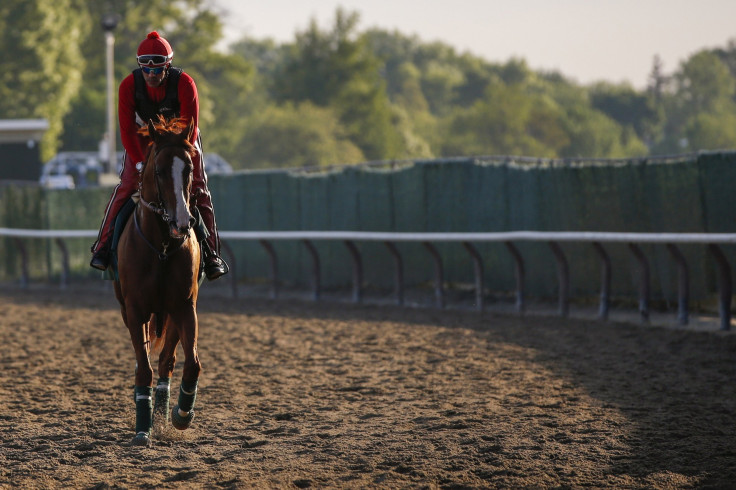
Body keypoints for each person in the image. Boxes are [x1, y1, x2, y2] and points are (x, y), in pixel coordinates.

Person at [90, 31, 228, 280]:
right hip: (143, 136)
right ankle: (102, 246)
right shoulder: (128, 86)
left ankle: (211, 254)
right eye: (146, 70)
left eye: (158, 70)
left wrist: (179, 148)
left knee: (199, 186)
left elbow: (191, 126)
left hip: (180, 137)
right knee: (128, 185)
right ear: (140, 67)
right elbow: (126, 131)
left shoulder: (185, 83)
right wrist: (142, 164)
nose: (152, 75)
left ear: (168, 66)